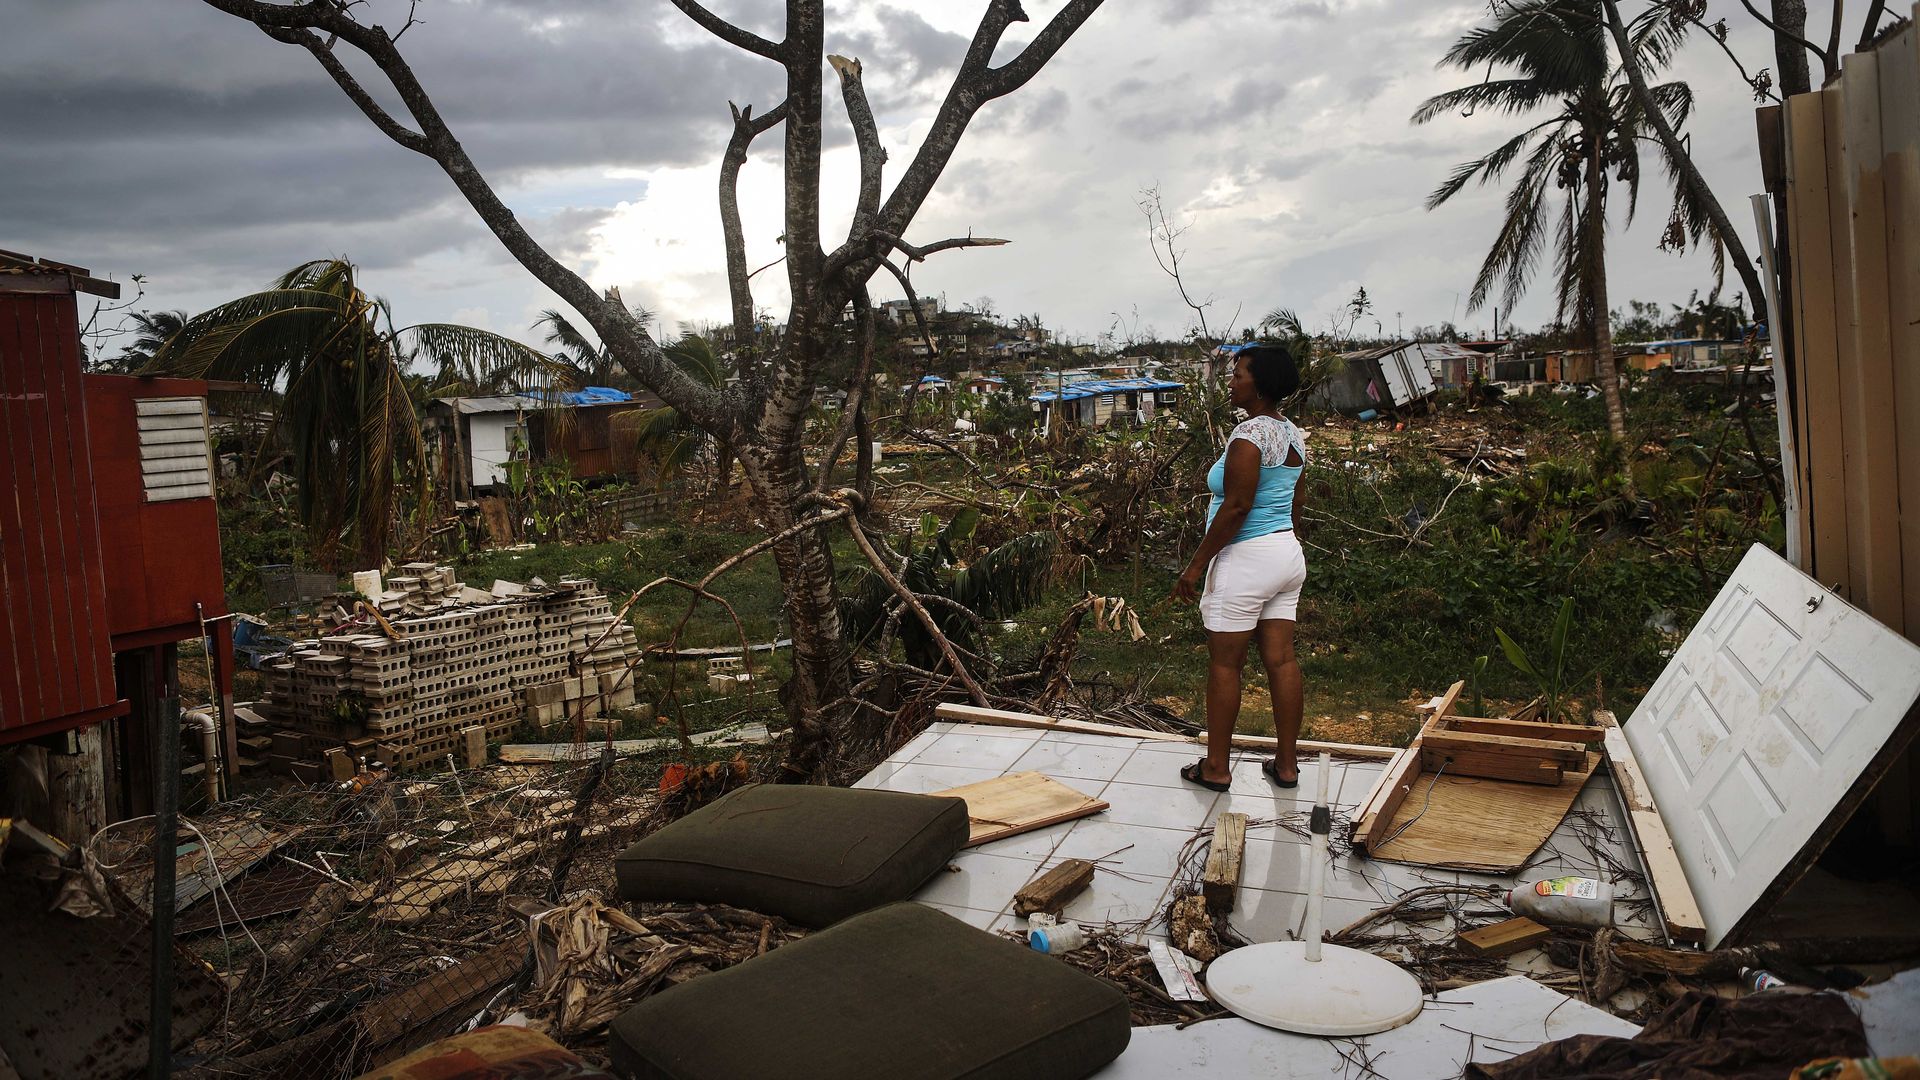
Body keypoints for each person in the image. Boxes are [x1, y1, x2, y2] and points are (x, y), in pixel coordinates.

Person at [1172, 343, 1307, 791]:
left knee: (1225, 665)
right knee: (1282, 660)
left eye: (1238, 374)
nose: (1231, 382)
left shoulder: (1249, 436)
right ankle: (1286, 767)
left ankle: (1216, 768)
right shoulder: (1293, 434)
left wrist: (1195, 567)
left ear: (1260, 383)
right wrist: (1283, 549)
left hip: (1247, 558)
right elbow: (1296, 502)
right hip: (1285, 554)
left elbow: (1236, 507)